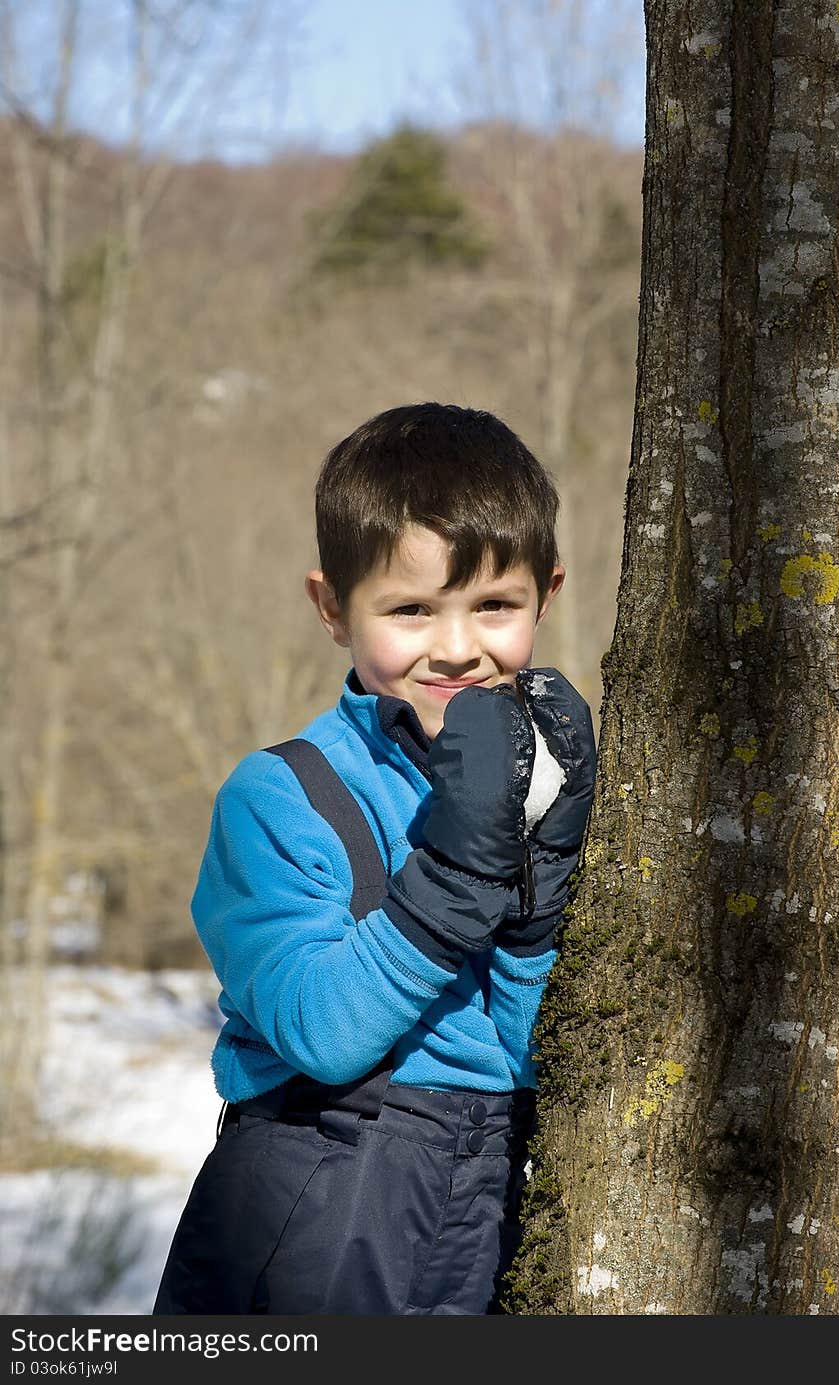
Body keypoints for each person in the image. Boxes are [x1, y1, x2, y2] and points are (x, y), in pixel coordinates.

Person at [152, 402, 596, 1316]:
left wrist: (538, 898)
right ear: (331, 606)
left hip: (489, 1204)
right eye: (410, 610)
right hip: (316, 1197)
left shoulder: (548, 781)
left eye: (495, 606)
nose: (458, 647)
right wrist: (460, 878)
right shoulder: (282, 796)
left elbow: (530, 1055)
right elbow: (319, 1029)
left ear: (547, 594)